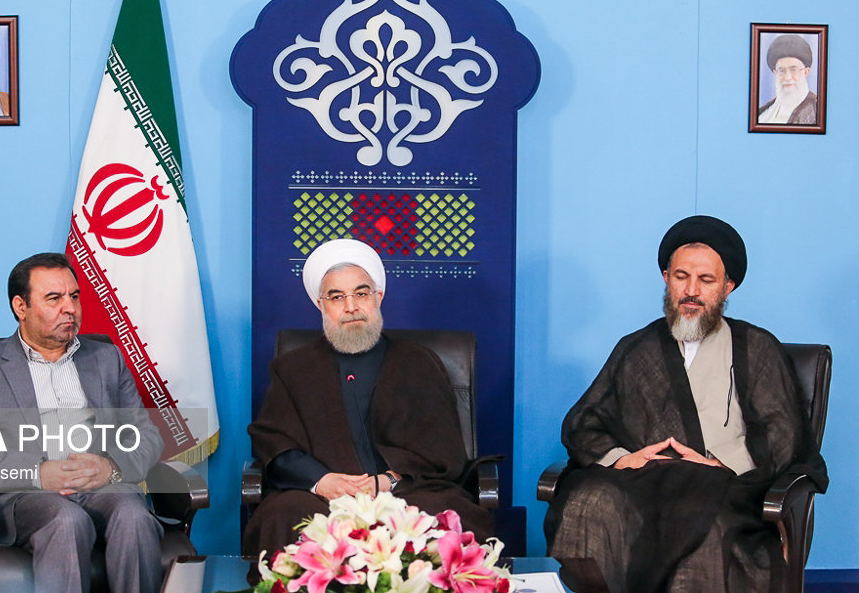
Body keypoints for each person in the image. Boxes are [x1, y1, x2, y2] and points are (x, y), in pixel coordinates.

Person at [544, 215, 827, 593]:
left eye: (706, 280)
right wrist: (623, 458)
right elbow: (585, 422)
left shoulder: (755, 347)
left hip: (720, 489)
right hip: (640, 484)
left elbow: (782, 432)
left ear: (727, 287)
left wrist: (719, 463)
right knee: (589, 502)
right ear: (666, 278)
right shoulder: (636, 347)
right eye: (681, 276)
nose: (691, 290)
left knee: (699, 529)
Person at [244, 238, 492, 560]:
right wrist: (321, 481)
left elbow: (442, 448)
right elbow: (274, 441)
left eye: (361, 294)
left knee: (445, 512)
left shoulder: (418, 362)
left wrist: (389, 480)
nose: (351, 307)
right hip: (322, 496)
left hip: (405, 490)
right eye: (337, 297)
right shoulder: (293, 368)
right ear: (321, 305)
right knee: (282, 515)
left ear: (379, 297)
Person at [0, 252, 164, 593]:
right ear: (21, 307)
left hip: (100, 487)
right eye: (54, 298)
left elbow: (146, 436)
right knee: (65, 519)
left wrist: (111, 467)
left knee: (134, 514)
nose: (70, 308)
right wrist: (37, 473)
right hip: (24, 496)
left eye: (74, 296)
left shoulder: (107, 358)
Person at [757, 34, 818, 124]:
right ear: (775, 73)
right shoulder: (764, 112)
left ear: (806, 72)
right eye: (782, 71)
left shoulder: (817, 109)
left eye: (793, 70)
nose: (787, 77)